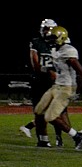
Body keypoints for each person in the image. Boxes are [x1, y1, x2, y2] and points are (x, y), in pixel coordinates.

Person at [32, 26, 82, 150]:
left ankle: (77, 136)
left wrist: (76, 91)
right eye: (50, 38)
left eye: (53, 38)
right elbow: (54, 68)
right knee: (38, 110)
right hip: (56, 85)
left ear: (62, 37)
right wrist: (43, 70)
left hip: (66, 87)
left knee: (50, 117)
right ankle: (43, 141)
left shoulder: (68, 50)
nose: (51, 40)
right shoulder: (56, 50)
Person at [19, 18, 67, 146]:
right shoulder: (36, 42)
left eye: (50, 29)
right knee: (40, 112)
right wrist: (48, 71)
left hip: (56, 83)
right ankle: (43, 139)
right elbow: (35, 64)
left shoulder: (60, 44)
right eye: (46, 29)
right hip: (40, 82)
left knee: (60, 111)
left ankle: (63, 137)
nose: (47, 32)